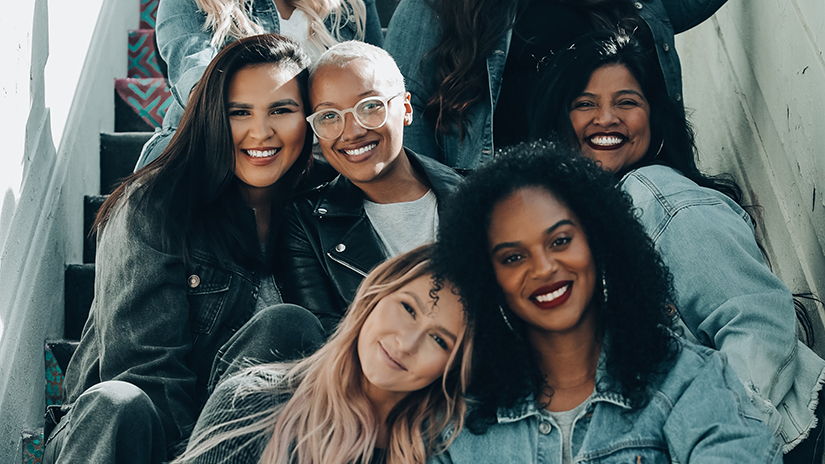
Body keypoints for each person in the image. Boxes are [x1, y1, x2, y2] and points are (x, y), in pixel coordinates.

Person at [528, 31, 825, 462]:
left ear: (654, 120)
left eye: (627, 102)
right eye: (585, 103)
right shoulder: (578, 235)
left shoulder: (655, 194)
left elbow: (756, 323)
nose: (606, 117)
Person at [43, 35, 324, 463]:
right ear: (213, 118)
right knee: (117, 403)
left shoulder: (321, 209)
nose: (261, 131)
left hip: (240, 443)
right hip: (136, 437)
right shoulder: (155, 205)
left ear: (309, 119)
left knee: (287, 326)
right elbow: (146, 376)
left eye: (282, 110)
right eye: (239, 113)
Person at [431, 142, 782, 463]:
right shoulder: (458, 422)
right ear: (487, 278)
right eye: (512, 258)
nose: (543, 268)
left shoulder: (687, 379)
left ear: (599, 241)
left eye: (560, 240)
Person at [173, 245, 473, 464]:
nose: (407, 343)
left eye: (439, 339)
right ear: (375, 294)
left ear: (453, 366)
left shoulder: (446, 451)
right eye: (407, 308)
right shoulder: (250, 401)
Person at [383, 0, 728, 171]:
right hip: (501, 211)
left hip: (617, 202)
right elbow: (401, 115)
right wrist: (434, 213)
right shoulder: (435, 7)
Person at [276, 41, 463, 335]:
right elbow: (329, 348)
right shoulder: (305, 224)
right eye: (329, 116)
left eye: (370, 106)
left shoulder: (482, 193)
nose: (352, 132)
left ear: (405, 108)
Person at [135, 0, 384, 169]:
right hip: (229, 149)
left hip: (329, 156)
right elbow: (195, 77)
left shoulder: (349, 5)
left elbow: (380, 79)